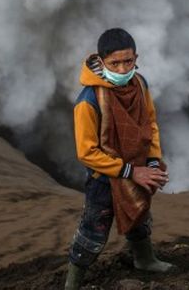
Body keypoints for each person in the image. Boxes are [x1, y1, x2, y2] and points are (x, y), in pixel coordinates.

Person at [64, 28, 175, 289]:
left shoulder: (140, 84)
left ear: (137, 57)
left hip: (137, 165)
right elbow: (87, 152)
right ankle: (72, 283)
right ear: (101, 62)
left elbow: (149, 124)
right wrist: (129, 171)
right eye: (115, 63)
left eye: (128, 61)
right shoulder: (88, 101)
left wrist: (151, 161)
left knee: (139, 215)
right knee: (93, 230)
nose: (123, 68)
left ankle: (145, 260)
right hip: (104, 178)